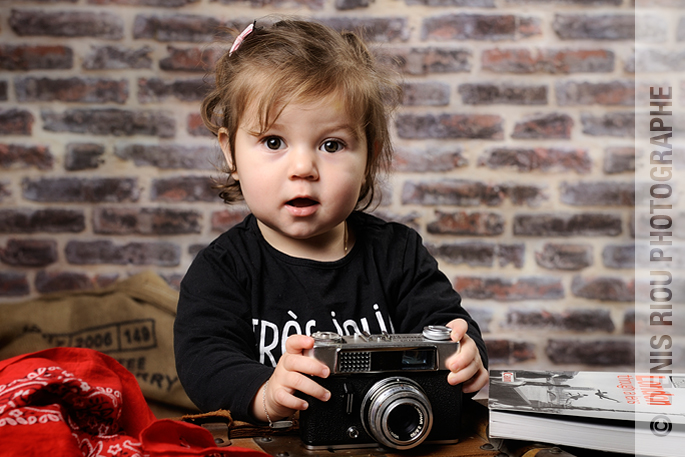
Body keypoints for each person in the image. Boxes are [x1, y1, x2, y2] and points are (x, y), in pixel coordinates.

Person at [173, 18, 488, 426]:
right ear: (230, 151)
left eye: (331, 144)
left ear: (368, 158)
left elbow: (443, 324)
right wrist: (265, 392)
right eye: (273, 142)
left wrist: (465, 356)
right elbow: (204, 360)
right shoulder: (224, 268)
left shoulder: (398, 254)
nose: (303, 167)